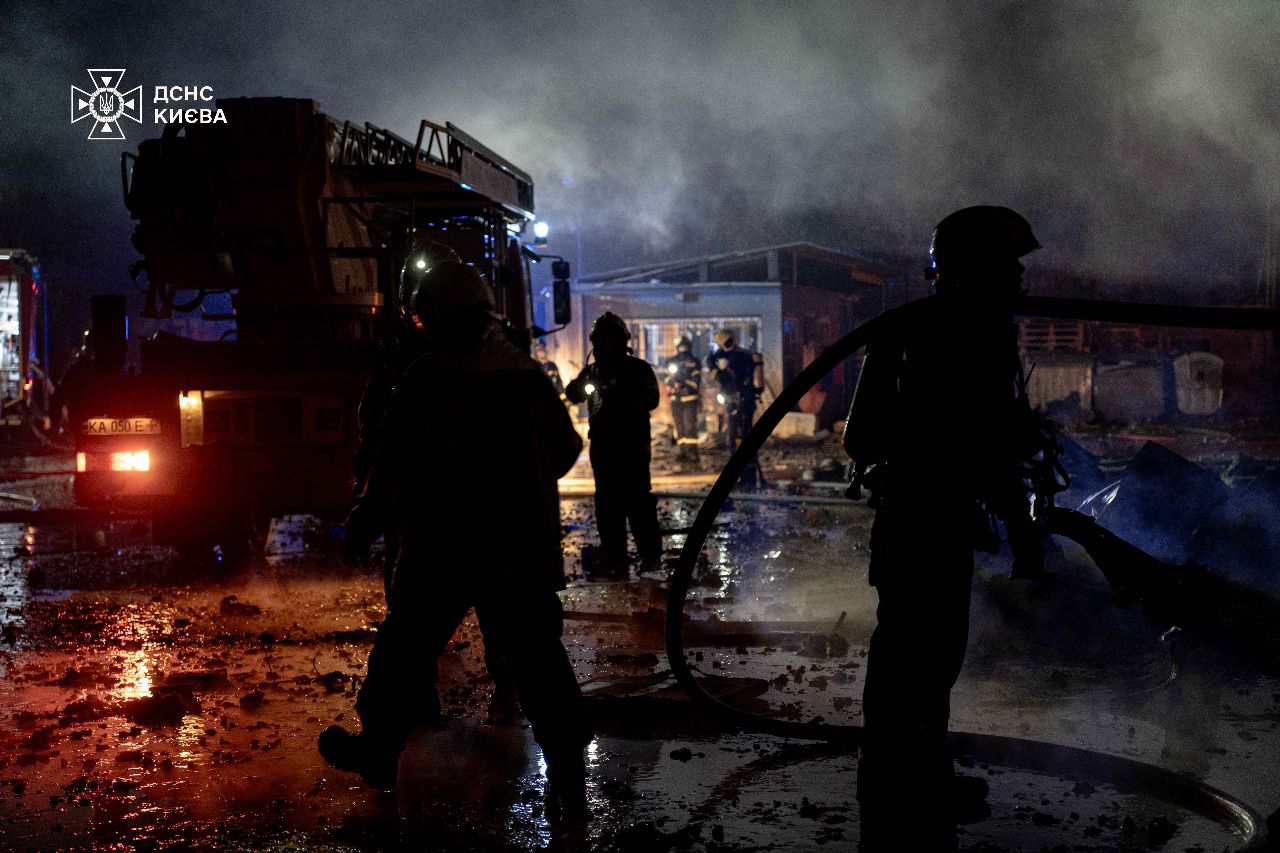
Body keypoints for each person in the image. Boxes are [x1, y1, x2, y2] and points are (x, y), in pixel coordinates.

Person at [324, 260, 592, 818]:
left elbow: (392, 463)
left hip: (441, 547)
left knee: (402, 654)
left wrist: (367, 518)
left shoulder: (425, 379)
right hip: (516, 549)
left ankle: (378, 752)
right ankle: (568, 779)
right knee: (539, 664)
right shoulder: (524, 377)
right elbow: (566, 449)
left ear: (433, 320)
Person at [842, 206, 1046, 848]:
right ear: (974, 269)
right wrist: (951, 445)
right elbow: (862, 437)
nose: (1019, 278)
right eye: (1009, 266)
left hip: (942, 521)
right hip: (917, 521)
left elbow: (996, 444)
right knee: (910, 659)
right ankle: (889, 787)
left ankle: (922, 776)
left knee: (934, 660)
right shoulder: (914, 332)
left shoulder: (985, 334)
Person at [565, 312, 662, 575]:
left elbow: (652, 400)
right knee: (607, 504)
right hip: (603, 446)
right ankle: (614, 556)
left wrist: (619, 392)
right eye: (601, 340)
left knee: (638, 501)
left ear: (620, 340)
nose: (604, 345)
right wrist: (588, 383)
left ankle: (650, 556)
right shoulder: (593, 371)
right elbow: (572, 393)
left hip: (633, 445)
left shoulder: (638, 369)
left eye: (609, 339)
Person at [706, 329, 763, 486]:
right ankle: (745, 475)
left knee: (739, 437)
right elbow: (716, 368)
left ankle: (747, 476)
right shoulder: (728, 356)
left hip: (742, 402)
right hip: (738, 402)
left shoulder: (740, 358)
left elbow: (731, 379)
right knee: (736, 437)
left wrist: (718, 369)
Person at [663, 336, 702, 465]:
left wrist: (685, 385)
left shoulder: (694, 362)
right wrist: (674, 384)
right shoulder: (672, 361)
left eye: (685, 346)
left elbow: (696, 381)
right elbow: (666, 377)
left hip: (690, 399)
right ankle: (683, 452)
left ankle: (693, 453)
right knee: (679, 426)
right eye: (681, 346)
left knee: (689, 426)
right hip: (676, 399)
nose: (683, 349)